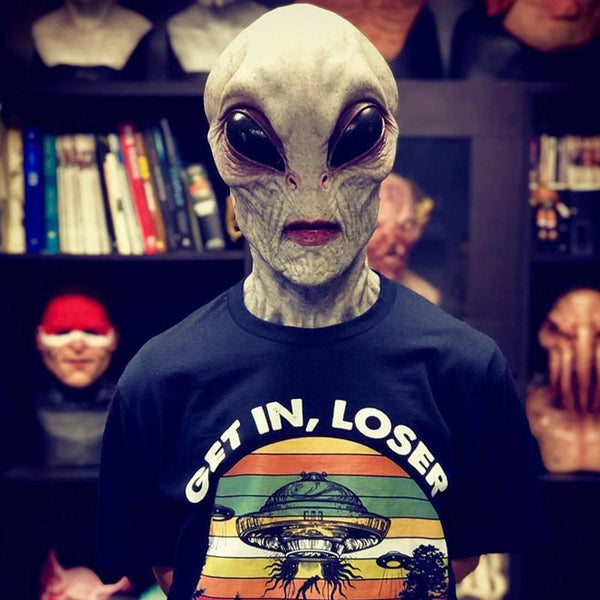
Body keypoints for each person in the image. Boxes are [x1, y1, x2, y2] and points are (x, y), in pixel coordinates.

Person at [98, 6, 541, 600]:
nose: (309, 191)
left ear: (388, 146)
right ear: (220, 150)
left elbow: (458, 556)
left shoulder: (465, 370)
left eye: (355, 137)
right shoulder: (158, 382)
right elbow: (169, 565)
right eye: (253, 140)